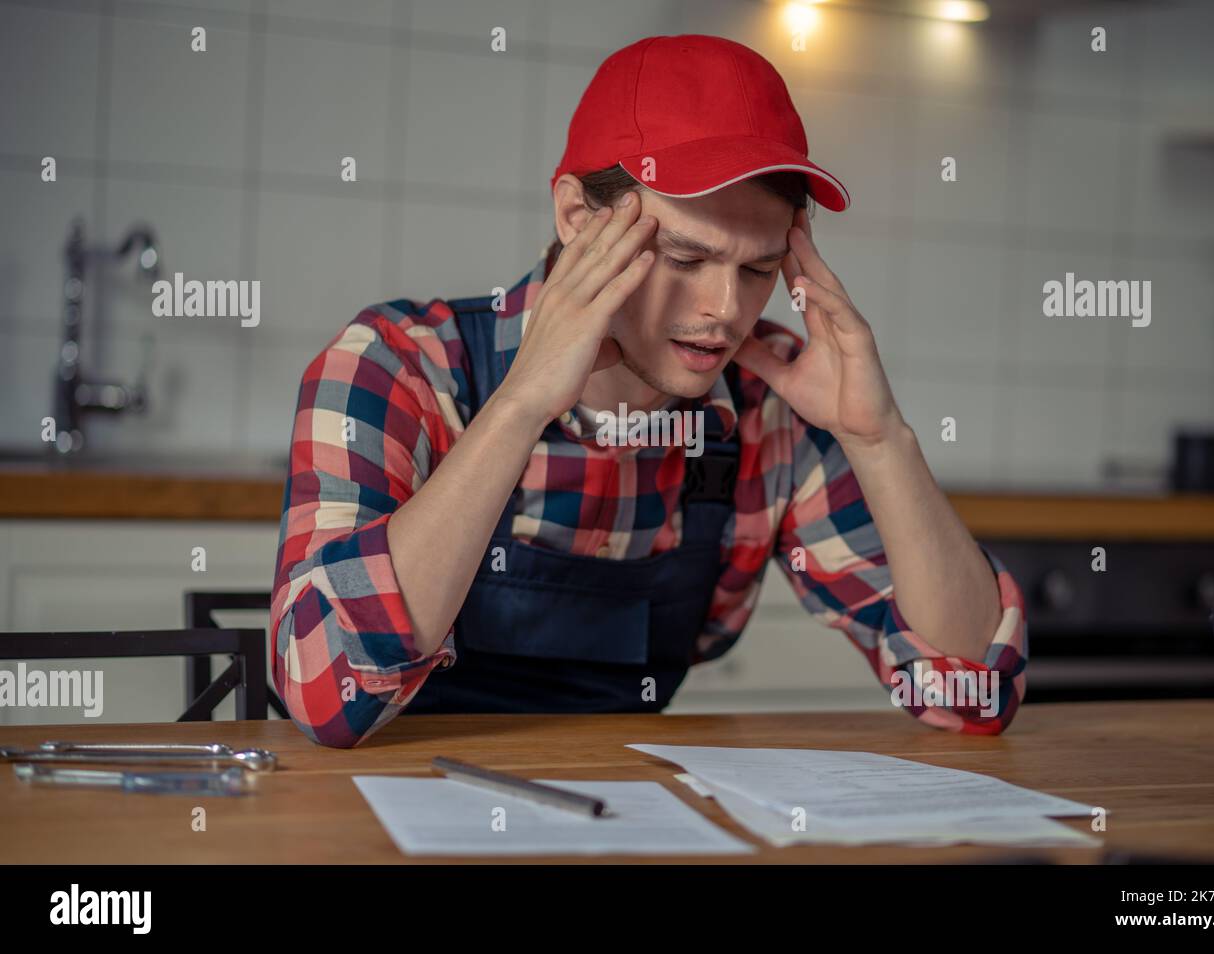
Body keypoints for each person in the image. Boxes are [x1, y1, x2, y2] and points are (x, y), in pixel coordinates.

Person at [270, 34, 1026, 748]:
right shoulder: (398, 365)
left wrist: (880, 440)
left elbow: (971, 698)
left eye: (758, 269)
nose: (725, 310)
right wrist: (521, 404)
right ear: (576, 216)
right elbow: (325, 693)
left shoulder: (775, 407)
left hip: (626, 817)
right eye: (684, 256)